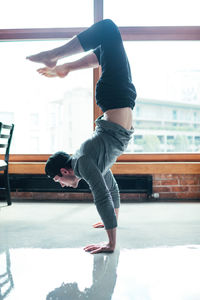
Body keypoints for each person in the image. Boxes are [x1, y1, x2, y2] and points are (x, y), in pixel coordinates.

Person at [27, 19, 137, 254]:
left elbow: (102, 198)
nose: (61, 185)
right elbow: (112, 189)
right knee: (103, 49)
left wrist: (111, 243)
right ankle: (65, 67)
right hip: (121, 98)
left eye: (58, 180)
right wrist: (111, 221)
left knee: (107, 29)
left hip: (115, 98)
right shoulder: (91, 163)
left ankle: (55, 56)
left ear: (65, 171)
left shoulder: (84, 164)